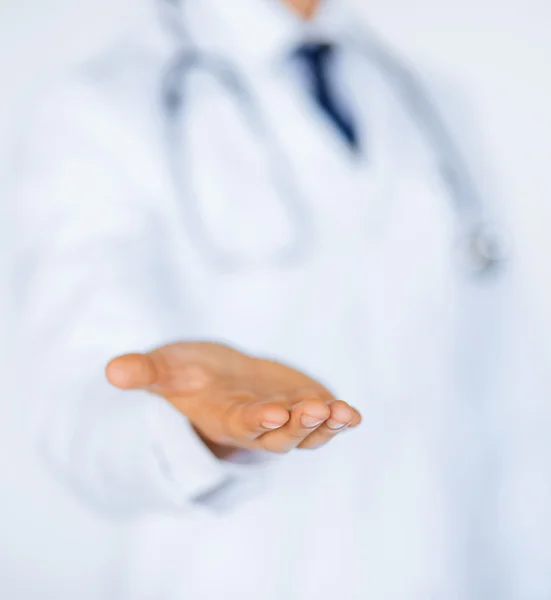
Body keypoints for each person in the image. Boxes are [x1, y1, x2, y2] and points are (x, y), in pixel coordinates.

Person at [7, 0, 551, 598]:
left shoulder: (430, 102)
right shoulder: (98, 107)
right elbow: (82, 402)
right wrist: (194, 427)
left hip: (454, 573)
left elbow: (509, 400)